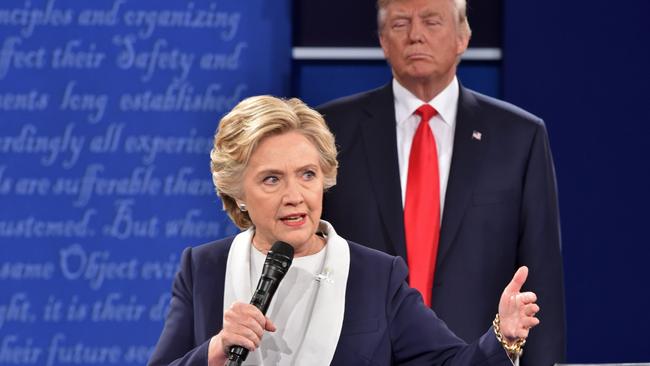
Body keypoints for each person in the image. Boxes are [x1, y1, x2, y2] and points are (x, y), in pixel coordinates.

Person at [148, 95, 540, 366]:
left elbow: (449, 362)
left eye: (307, 174)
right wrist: (214, 351)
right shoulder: (205, 269)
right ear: (238, 192)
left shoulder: (376, 276)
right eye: (271, 179)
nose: (294, 195)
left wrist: (502, 337)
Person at [317, 0, 565, 365]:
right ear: (383, 40)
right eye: (400, 23)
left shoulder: (520, 137)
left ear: (463, 37)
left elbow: (540, 278)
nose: (416, 35)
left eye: (431, 22)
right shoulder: (330, 130)